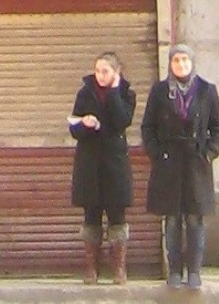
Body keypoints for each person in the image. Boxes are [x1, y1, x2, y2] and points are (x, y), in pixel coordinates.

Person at [141, 43, 219, 290]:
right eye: (176, 60)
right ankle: (175, 271)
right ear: (170, 64)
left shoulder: (206, 90)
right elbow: (148, 127)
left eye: (185, 60)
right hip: (169, 162)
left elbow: (218, 126)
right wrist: (157, 154)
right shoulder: (159, 91)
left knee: (195, 219)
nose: (181, 65)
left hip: (196, 162)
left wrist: (209, 153)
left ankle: (194, 271)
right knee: (172, 219)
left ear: (192, 62)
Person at [68, 51, 136, 285]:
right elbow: (74, 128)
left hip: (115, 163)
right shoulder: (84, 93)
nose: (100, 75)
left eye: (105, 71)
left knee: (117, 216)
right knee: (91, 216)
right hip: (89, 163)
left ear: (116, 73)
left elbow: (122, 120)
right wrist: (85, 124)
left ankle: (118, 268)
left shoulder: (126, 94)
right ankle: (91, 268)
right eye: (97, 71)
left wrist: (114, 91)